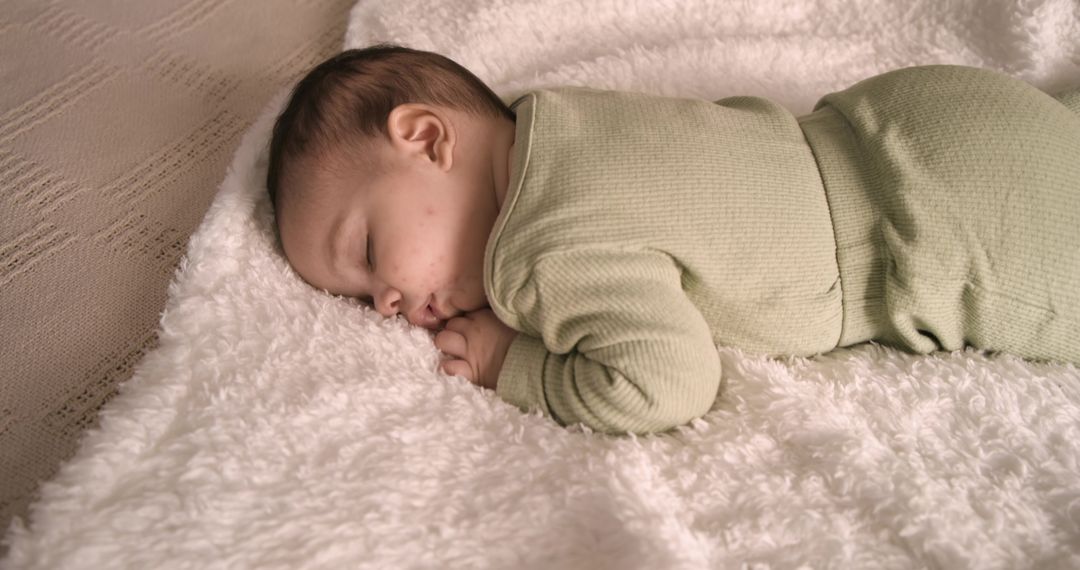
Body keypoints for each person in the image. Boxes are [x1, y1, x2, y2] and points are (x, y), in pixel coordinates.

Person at [266, 43, 1080, 434]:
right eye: (359, 297)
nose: (386, 304)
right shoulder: (555, 113)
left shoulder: (541, 255)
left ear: (427, 138)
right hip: (917, 112)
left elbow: (667, 382)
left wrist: (511, 364)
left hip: (945, 228)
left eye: (368, 254)